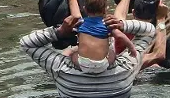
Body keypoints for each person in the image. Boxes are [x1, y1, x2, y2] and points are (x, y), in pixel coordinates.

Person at [20, 12, 156, 98]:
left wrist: (60, 31)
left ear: (78, 39)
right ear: (109, 39)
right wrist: (120, 24)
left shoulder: (60, 69)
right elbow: (150, 30)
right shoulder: (126, 68)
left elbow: (27, 43)